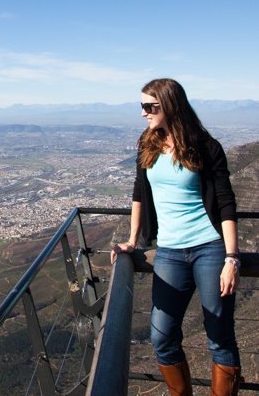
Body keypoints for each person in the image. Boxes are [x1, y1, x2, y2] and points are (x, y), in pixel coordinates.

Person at [111, 78, 242, 396]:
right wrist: (133, 240)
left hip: (209, 248)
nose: (143, 113)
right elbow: (139, 192)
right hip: (169, 251)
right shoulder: (147, 143)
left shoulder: (206, 147)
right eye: (141, 106)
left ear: (169, 105)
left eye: (149, 106)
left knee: (219, 336)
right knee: (162, 336)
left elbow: (225, 203)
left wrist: (232, 257)